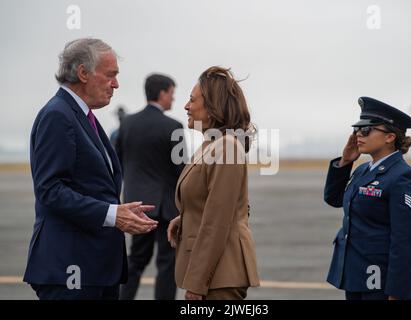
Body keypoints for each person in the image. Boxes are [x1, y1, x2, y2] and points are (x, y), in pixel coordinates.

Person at [23, 38, 158, 300]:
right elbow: (50, 190)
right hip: (71, 269)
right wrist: (111, 214)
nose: (116, 84)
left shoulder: (82, 116)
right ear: (83, 73)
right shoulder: (58, 115)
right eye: (110, 75)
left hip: (95, 269)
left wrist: (121, 212)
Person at [167, 66, 260, 300]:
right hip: (215, 272)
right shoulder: (211, 144)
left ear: (213, 106)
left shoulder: (226, 147)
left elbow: (218, 221)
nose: (186, 106)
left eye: (192, 100)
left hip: (222, 276)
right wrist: (186, 217)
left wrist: (197, 284)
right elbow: (210, 202)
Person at [324, 96, 411, 300]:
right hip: (356, 276)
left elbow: (405, 241)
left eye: (367, 130)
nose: (359, 135)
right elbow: (334, 199)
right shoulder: (362, 170)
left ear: (389, 137)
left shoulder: (404, 177)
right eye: (357, 130)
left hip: (384, 284)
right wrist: (345, 161)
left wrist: (397, 293)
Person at [117, 74, 185, 300]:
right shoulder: (173, 126)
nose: (173, 99)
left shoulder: (126, 124)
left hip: (138, 206)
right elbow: (181, 171)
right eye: (172, 94)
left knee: (135, 261)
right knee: (166, 264)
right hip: (166, 207)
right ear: (163, 93)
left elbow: (116, 163)